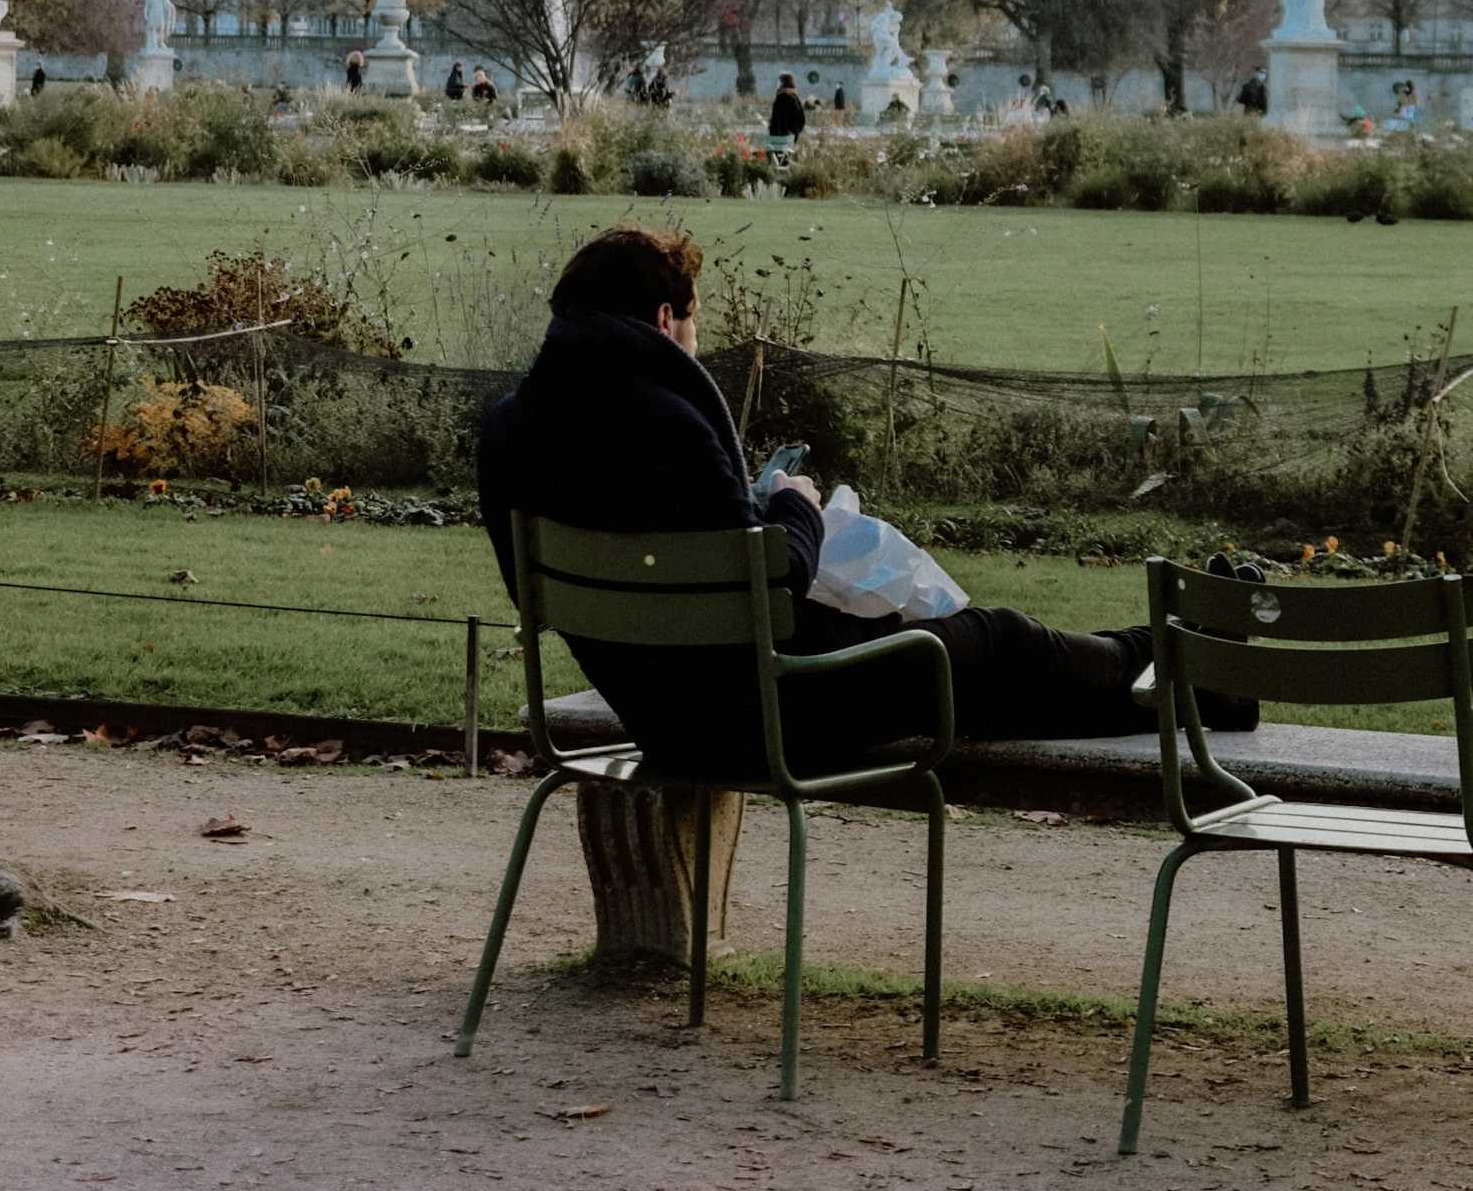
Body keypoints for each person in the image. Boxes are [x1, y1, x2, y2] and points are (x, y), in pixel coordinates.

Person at [477, 227, 1252, 782]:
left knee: (985, 670)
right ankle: (1192, 661)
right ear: (661, 321)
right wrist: (793, 502)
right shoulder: (668, 422)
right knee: (997, 643)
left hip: (661, 713)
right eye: (693, 326)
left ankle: (1193, 666)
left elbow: (537, 594)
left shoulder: (511, 429)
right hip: (766, 712)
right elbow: (772, 588)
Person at [769, 72, 806, 141]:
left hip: (780, 137)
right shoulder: (795, 97)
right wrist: (795, 132)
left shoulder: (782, 97)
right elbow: (801, 119)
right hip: (791, 136)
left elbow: (778, 119)